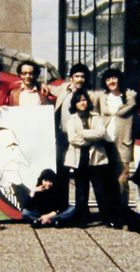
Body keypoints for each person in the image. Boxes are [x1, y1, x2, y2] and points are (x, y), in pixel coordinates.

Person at [64, 89, 121, 228]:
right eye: (79, 100)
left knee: (100, 190)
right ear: (74, 104)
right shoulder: (71, 119)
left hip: (96, 157)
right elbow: (73, 139)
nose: (82, 103)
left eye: (84, 100)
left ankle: (107, 218)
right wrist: (92, 138)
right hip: (79, 157)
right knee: (81, 190)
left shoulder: (95, 117)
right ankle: (82, 218)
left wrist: (83, 133)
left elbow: (101, 132)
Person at [48, 63, 92, 205]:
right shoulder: (64, 89)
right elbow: (48, 88)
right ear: (71, 78)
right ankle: (62, 206)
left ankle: (82, 210)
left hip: (80, 138)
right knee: (62, 172)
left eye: (83, 76)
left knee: (81, 174)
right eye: (77, 76)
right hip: (62, 137)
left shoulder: (89, 94)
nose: (80, 79)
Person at [98, 68, 137, 207]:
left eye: (114, 78)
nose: (111, 81)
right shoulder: (102, 97)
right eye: (108, 79)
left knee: (122, 178)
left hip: (123, 143)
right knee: (107, 178)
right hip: (105, 143)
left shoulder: (131, 96)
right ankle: (109, 210)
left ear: (119, 79)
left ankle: (122, 208)